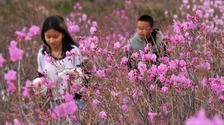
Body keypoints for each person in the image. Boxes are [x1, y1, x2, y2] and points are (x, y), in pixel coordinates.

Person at [32, 15, 85, 107]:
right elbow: (41, 76)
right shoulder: (42, 54)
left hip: (75, 102)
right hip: (55, 103)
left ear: (63, 34)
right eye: (48, 37)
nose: (51, 41)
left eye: (55, 36)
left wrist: (76, 77)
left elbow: (83, 76)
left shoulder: (73, 51)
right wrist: (38, 84)